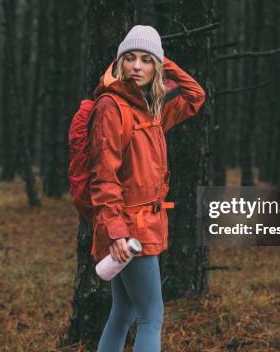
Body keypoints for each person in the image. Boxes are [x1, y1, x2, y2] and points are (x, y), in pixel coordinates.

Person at [88, 25, 206, 351]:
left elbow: (196, 96)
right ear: (118, 64)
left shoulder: (151, 112)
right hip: (128, 231)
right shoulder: (110, 108)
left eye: (146, 60)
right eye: (129, 58)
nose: (137, 66)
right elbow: (104, 177)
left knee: (124, 310)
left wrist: (164, 61)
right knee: (151, 315)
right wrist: (116, 233)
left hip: (143, 226)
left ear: (157, 68)